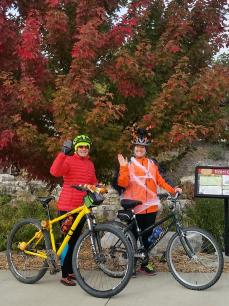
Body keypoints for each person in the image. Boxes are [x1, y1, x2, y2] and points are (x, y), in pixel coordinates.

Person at [117, 127, 182, 275]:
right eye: (137, 147)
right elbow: (122, 183)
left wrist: (173, 190)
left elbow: (160, 181)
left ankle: (144, 263)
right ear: (134, 149)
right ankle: (131, 265)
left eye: (142, 147)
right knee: (132, 236)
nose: (140, 149)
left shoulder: (152, 164)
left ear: (146, 149)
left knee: (147, 237)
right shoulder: (129, 164)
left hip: (151, 208)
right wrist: (123, 167)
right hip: (135, 207)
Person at [50, 134, 97, 286]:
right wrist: (63, 153)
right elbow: (55, 171)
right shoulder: (68, 160)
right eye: (80, 146)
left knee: (75, 240)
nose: (83, 149)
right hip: (67, 208)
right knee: (67, 242)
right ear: (76, 148)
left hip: (82, 208)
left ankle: (70, 271)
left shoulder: (90, 164)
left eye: (86, 147)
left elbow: (92, 182)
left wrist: (99, 188)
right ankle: (64, 275)